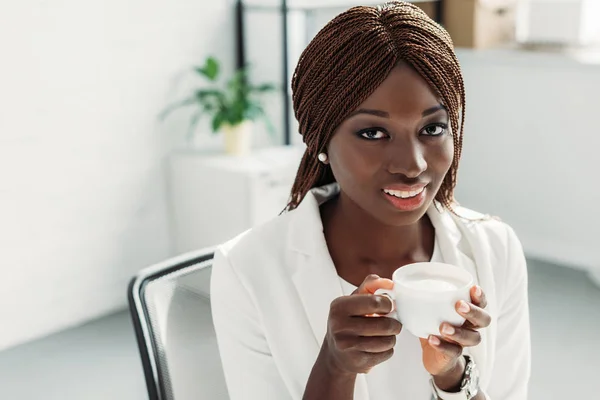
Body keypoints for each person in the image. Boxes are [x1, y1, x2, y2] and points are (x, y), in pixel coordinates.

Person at [210, 2, 531, 399]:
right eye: (374, 134)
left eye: (432, 127)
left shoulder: (495, 250)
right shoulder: (246, 270)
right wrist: (334, 368)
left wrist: (453, 375)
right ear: (319, 140)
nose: (412, 165)